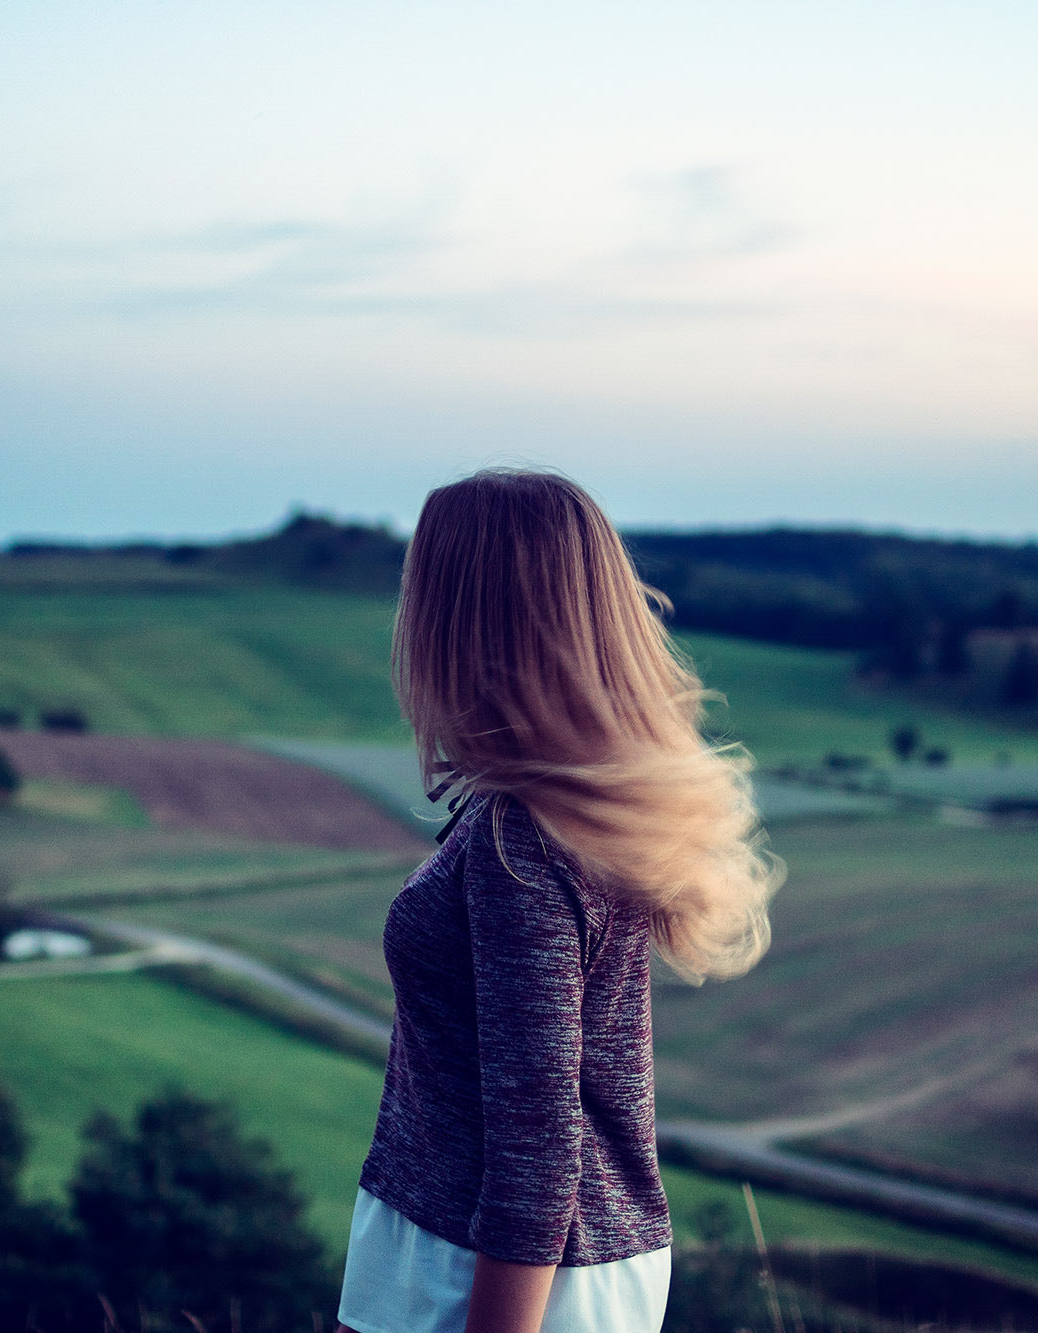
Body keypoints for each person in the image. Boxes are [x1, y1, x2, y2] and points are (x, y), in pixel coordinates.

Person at [337, 469, 781, 1333]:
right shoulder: (546, 819)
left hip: (492, 1280)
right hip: (488, 1258)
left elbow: (541, 1147)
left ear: (466, 619)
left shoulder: (522, 846)